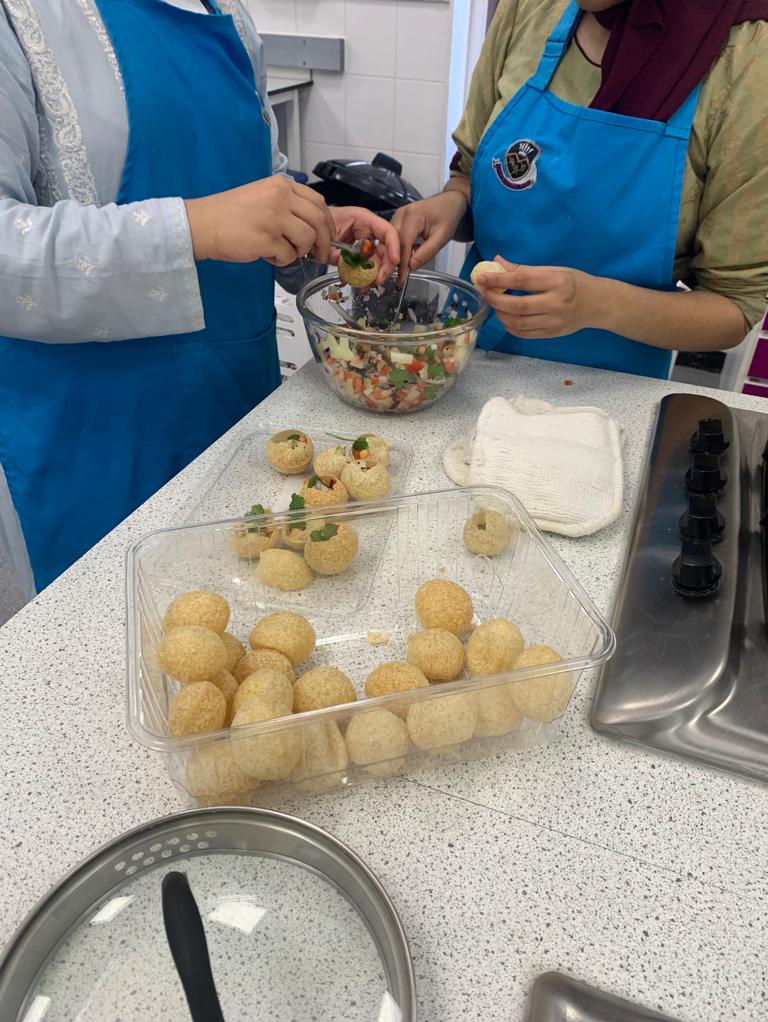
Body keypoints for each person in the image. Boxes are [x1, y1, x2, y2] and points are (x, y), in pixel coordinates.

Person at [0, 0, 399, 593]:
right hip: (99, 434)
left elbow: (260, 179)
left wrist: (316, 228)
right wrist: (197, 230)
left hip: (235, 399)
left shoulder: (229, 18)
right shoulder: (24, 16)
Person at [394, 0, 768, 379]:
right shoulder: (530, 8)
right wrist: (451, 204)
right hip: (465, 364)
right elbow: (472, 174)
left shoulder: (747, 54)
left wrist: (601, 305)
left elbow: (733, 307)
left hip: (607, 397)